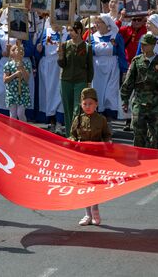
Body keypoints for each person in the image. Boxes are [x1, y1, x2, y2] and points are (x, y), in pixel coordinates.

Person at [69, 87, 112, 225]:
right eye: (84, 104)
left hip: (97, 157)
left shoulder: (101, 120)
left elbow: (107, 135)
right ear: (81, 105)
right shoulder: (78, 119)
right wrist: (74, 143)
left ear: (96, 104)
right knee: (84, 185)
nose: (87, 106)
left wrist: (107, 143)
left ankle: (95, 211)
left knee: (95, 185)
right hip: (82, 157)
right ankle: (87, 214)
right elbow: (72, 135)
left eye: (90, 103)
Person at [121, 33, 158, 148]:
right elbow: (128, 82)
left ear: (153, 45)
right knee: (138, 132)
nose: (142, 47)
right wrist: (125, 100)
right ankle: (139, 157)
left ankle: (152, 160)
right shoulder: (137, 61)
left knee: (154, 133)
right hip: (139, 101)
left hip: (155, 102)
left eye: (145, 45)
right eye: (141, 44)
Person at [57, 21, 93, 137]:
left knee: (77, 109)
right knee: (67, 109)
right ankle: (69, 136)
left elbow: (90, 67)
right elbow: (62, 64)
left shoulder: (87, 47)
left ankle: (76, 134)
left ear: (78, 31)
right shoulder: (65, 45)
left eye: (71, 30)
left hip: (80, 81)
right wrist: (60, 55)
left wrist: (89, 82)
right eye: (68, 30)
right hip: (66, 80)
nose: (69, 33)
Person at [89, 15, 128, 120]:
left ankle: (109, 120)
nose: (96, 25)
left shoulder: (116, 36)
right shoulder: (92, 37)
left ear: (107, 24)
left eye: (99, 23)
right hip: (97, 70)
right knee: (98, 94)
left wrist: (124, 70)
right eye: (96, 23)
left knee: (110, 94)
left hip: (112, 69)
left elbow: (121, 54)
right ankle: (99, 121)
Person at [35, 20, 68, 134]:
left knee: (59, 94)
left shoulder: (66, 33)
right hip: (47, 68)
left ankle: (59, 121)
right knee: (48, 94)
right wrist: (39, 50)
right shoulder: (45, 32)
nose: (56, 23)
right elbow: (38, 52)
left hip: (60, 66)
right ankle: (51, 121)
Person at [3, 42, 32, 121]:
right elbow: (5, 80)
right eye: (19, 50)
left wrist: (22, 68)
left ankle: (24, 130)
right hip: (12, 92)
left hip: (23, 92)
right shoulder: (8, 65)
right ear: (13, 52)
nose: (21, 51)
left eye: (22, 50)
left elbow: (26, 79)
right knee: (13, 115)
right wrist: (15, 75)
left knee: (20, 113)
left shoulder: (26, 64)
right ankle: (13, 132)